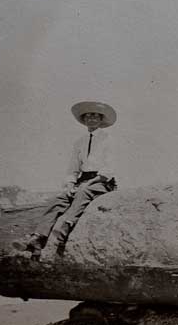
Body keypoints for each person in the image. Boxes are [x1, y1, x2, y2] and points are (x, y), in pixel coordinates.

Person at [13, 101, 117, 257]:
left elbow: (109, 169)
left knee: (83, 191)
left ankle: (64, 230)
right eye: (88, 116)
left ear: (101, 120)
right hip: (83, 179)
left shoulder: (108, 140)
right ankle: (37, 238)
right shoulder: (79, 142)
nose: (91, 119)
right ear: (84, 120)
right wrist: (70, 184)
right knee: (59, 199)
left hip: (101, 181)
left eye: (95, 116)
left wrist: (89, 182)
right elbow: (73, 168)